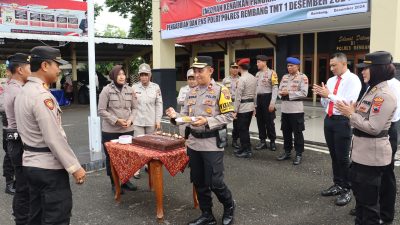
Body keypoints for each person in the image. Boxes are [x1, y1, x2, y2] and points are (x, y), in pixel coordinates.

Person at [14, 46, 86, 224]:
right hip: (49, 169)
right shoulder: (41, 96)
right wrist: (74, 167)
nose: (59, 69)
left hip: (30, 164)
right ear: (45, 65)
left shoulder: (23, 91)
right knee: (56, 217)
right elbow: (54, 137)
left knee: (36, 216)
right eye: (57, 65)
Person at [166, 56, 235, 225]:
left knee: (215, 182)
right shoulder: (191, 92)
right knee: (198, 181)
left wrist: (208, 121)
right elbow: (186, 117)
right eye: (194, 71)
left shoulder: (220, 90)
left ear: (210, 71)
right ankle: (207, 214)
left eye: (200, 71)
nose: (196, 74)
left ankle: (229, 206)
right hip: (194, 143)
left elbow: (229, 115)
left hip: (211, 143)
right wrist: (175, 117)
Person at [336, 51, 396, 225]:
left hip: (371, 158)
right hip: (362, 154)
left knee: (369, 205)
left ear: (378, 70)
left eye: (366, 68)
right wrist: (352, 113)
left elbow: (374, 127)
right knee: (361, 201)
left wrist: (351, 114)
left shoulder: (383, 95)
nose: (362, 72)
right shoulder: (371, 91)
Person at [313, 52, 361, 206]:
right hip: (330, 120)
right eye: (330, 66)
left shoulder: (353, 80)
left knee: (343, 158)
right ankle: (338, 184)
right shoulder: (331, 80)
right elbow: (327, 103)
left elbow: (347, 103)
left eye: (334, 65)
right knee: (334, 156)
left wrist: (330, 95)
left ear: (344, 64)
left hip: (343, 121)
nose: (332, 68)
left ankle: (347, 189)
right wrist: (323, 96)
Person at [98, 65, 138, 192]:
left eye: (123, 74)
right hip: (110, 131)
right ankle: (114, 183)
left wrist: (131, 120)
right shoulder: (106, 90)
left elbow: (135, 108)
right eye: (119, 74)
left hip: (127, 130)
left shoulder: (130, 90)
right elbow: (101, 110)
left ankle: (125, 180)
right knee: (111, 158)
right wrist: (116, 121)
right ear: (114, 77)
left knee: (127, 157)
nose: (122, 76)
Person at [3, 53, 31, 225]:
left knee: (24, 184)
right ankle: (22, 219)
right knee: (24, 186)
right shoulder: (18, 91)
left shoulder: (13, 87)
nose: (32, 70)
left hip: (14, 140)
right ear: (20, 70)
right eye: (29, 67)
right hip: (19, 141)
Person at [132, 63, 163, 178]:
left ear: (150, 75)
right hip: (138, 121)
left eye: (146, 74)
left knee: (151, 146)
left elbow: (159, 105)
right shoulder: (134, 88)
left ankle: (148, 165)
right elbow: (131, 105)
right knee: (139, 146)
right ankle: (137, 168)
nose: (144, 77)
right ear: (139, 76)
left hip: (151, 121)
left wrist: (158, 120)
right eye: (142, 75)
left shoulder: (156, 87)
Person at [277, 57, 309, 165]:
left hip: (296, 110)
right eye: (288, 65)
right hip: (285, 109)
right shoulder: (285, 77)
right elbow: (279, 89)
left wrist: (289, 94)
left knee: (298, 133)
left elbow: (304, 93)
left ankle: (299, 154)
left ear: (298, 66)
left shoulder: (302, 77)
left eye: (292, 65)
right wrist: (281, 94)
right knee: (286, 132)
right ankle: (287, 151)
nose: (289, 67)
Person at [233, 58, 257, 158]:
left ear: (239, 67)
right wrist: (255, 107)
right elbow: (255, 94)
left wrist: (235, 111)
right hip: (250, 106)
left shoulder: (242, 79)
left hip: (242, 107)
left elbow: (238, 97)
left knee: (242, 129)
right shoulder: (253, 77)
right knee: (245, 128)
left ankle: (247, 150)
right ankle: (244, 147)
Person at [254, 55, 278, 151]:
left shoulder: (272, 73)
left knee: (269, 122)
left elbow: (275, 88)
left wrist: (272, 102)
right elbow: (255, 90)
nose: (257, 64)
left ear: (264, 62)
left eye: (258, 62)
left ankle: (272, 141)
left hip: (267, 98)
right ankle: (262, 141)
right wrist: (254, 103)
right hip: (258, 99)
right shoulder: (257, 74)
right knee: (260, 121)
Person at [1, 61, 15, 195]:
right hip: (8, 128)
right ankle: (9, 183)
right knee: (10, 155)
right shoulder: (5, 86)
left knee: (16, 154)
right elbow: (2, 106)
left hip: (17, 127)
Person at [222, 62, 240, 149]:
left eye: (237, 67)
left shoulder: (241, 79)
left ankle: (235, 140)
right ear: (230, 69)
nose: (235, 69)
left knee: (236, 124)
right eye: (233, 67)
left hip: (236, 103)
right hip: (227, 103)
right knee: (224, 122)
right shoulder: (225, 80)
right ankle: (223, 139)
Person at [177, 69, 197, 136]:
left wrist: (188, 101)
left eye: (193, 79)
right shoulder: (183, 89)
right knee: (183, 136)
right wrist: (189, 101)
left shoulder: (200, 89)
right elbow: (179, 101)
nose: (191, 81)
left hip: (195, 117)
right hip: (184, 116)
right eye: (190, 79)